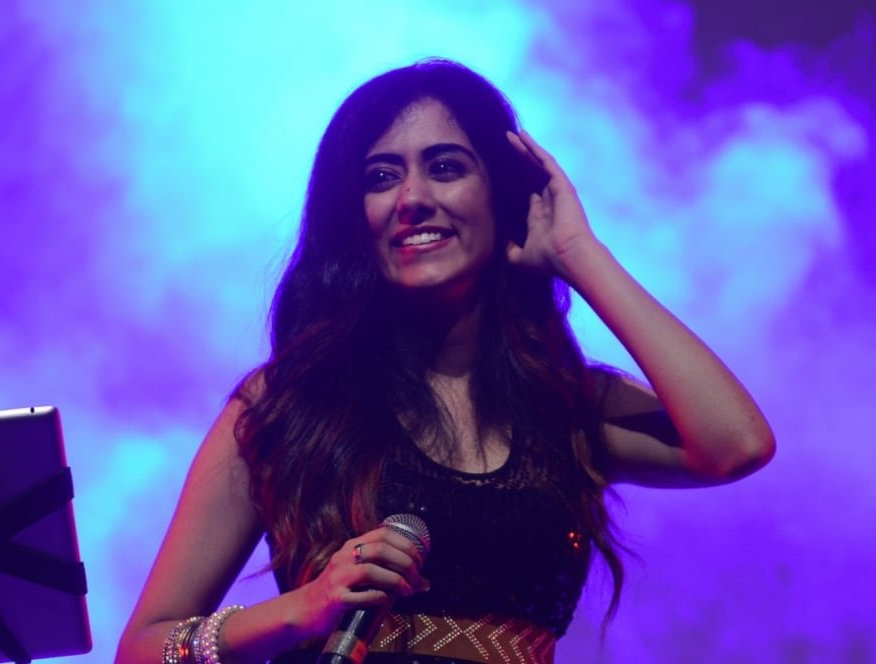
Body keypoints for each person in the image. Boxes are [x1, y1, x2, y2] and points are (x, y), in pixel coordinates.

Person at [115, 58, 774, 664]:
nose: (412, 199)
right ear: (355, 215)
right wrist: (298, 612)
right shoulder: (287, 405)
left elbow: (737, 443)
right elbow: (143, 647)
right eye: (381, 177)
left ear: (502, 195)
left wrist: (578, 252)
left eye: (446, 167)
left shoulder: (569, 405)